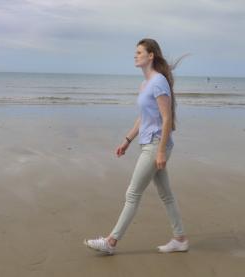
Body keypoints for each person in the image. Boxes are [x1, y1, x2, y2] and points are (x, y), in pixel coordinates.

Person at [84, 38, 189, 255]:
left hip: (155, 145)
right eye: (135, 52)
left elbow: (167, 118)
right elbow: (143, 118)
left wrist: (160, 151)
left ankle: (111, 242)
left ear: (151, 56)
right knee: (166, 195)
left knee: (133, 193)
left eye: (139, 52)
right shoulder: (145, 84)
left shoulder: (159, 81)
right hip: (147, 143)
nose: (135, 55)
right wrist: (127, 140)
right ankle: (180, 239)